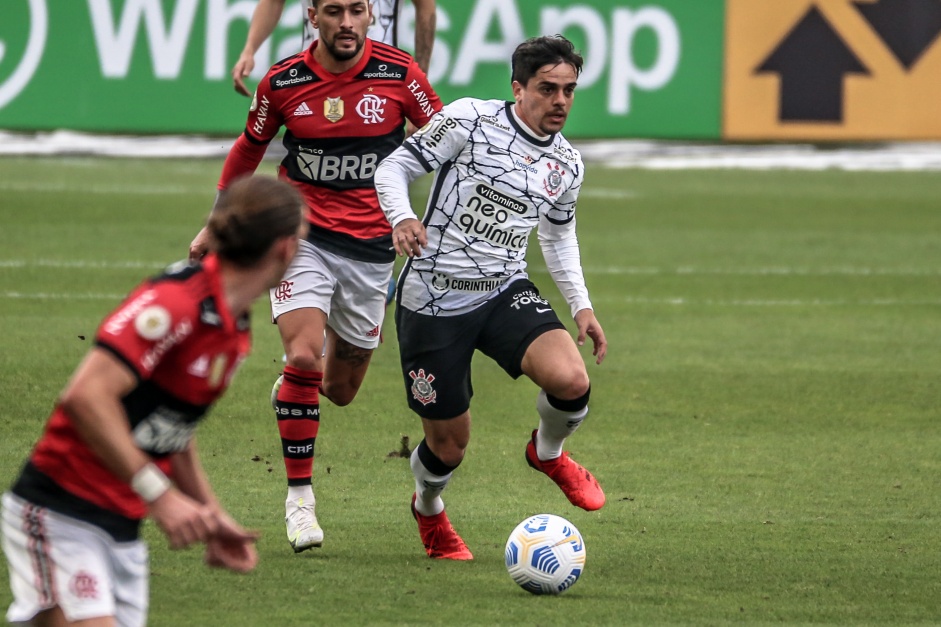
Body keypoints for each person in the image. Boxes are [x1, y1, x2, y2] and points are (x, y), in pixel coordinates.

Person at [189, 0, 442, 554]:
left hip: (374, 250)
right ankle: (300, 500)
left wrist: (425, 221)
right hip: (302, 239)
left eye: (355, 10)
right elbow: (247, 149)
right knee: (304, 355)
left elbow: (443, 146)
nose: (345, 22)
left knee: (340, 390)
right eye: (333, 11)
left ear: (371, 14)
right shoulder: (283, 82)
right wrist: (215, 222)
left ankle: (297, 394)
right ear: (313, 17)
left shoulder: (402, 76)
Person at [1, 175, 306, 626]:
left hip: (120, 528)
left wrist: (209, 515)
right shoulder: (177, 302)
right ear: (284, 248)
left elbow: (172, 428)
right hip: (59, 512)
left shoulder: (233, 324)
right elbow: (85, 397)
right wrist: (162, 498)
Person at [374, 34, 607, 560]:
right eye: (548, 89)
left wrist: (581, 305)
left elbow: (557, 234)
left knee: (572, 381)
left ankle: (548, 453)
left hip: (503, 289)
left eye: (569, 90)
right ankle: (428, 509)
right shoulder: (470, 120)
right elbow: (393, 168)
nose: (561, 101)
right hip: (432, 300)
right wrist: (403, 216)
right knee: (448, 447)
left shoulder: (566, 164)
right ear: (517, 87)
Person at [232, 0, 437, 97]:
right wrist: (249, 50)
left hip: (380, 76)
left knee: (379, 167)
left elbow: (426, 7)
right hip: (314, 73)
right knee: (309, 160)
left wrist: (420, 82)